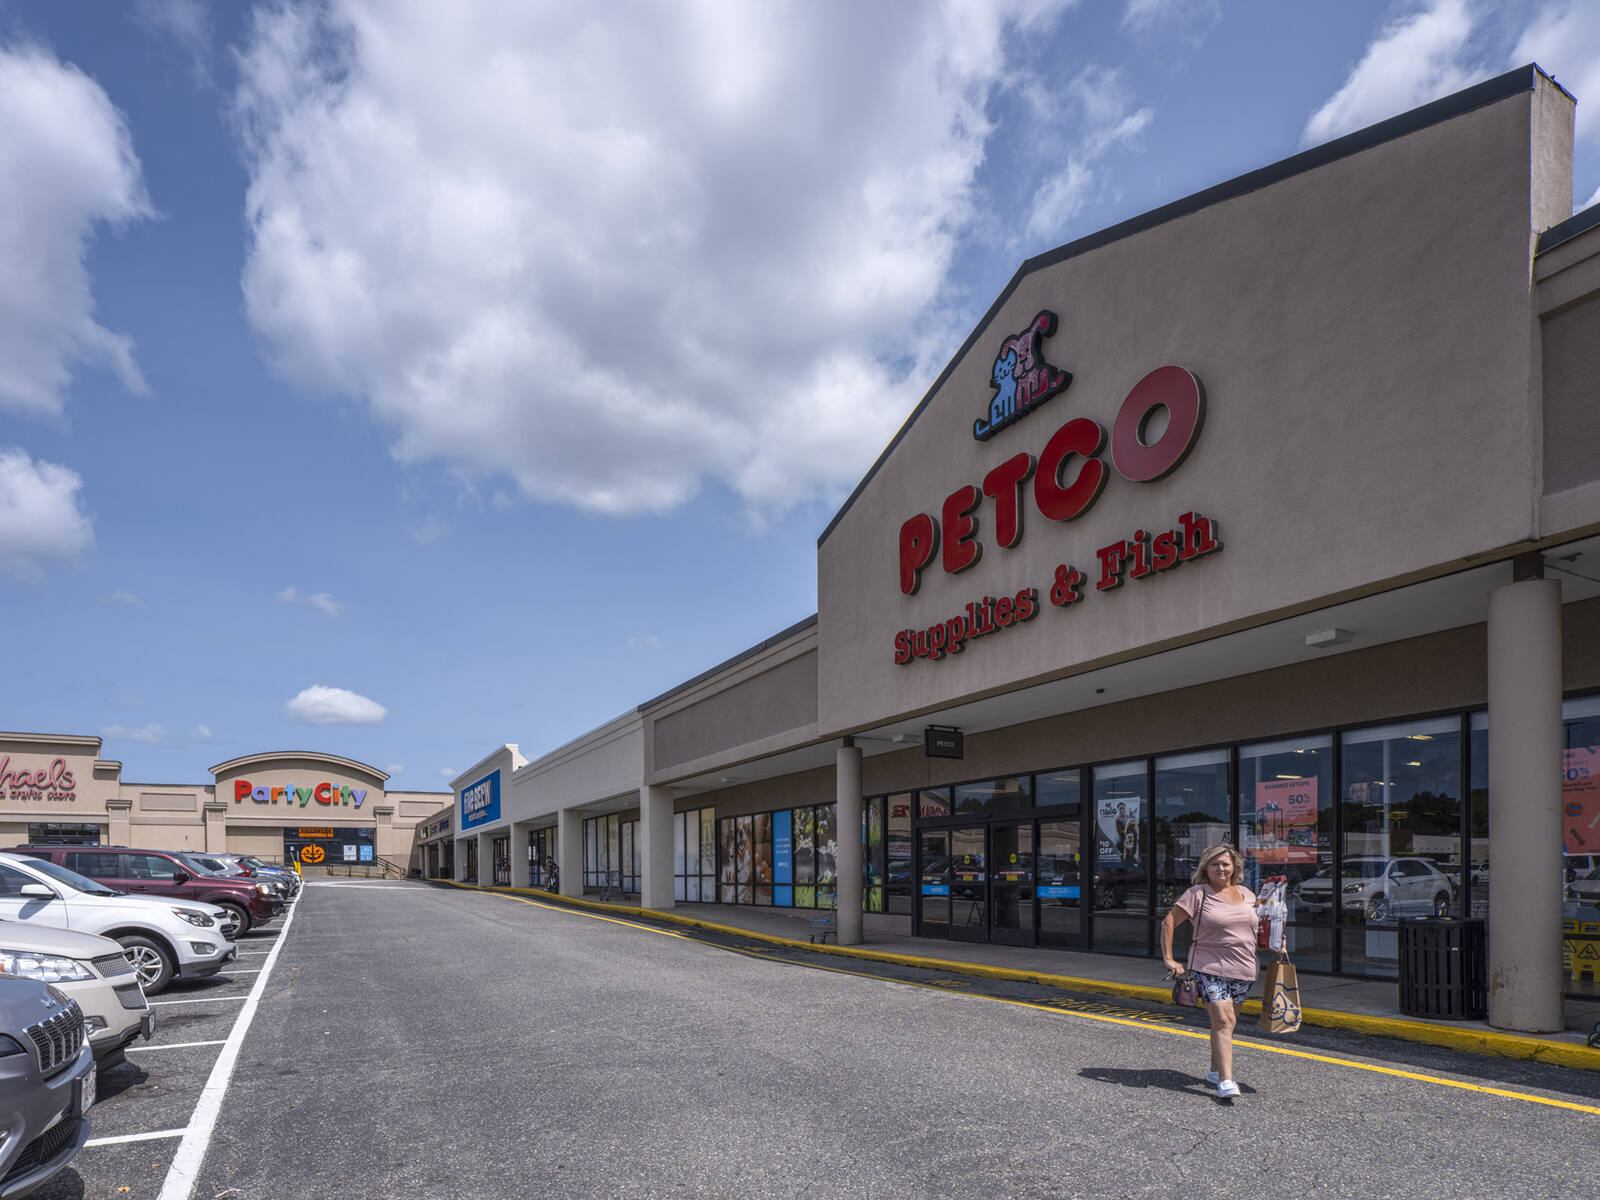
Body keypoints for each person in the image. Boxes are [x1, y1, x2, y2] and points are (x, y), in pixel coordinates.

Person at [1160, 843, 1258, 1099]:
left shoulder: (1247, 894)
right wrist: (1169, 959)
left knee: (1228, 1023)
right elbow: (1169, 921)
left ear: (1235, 867)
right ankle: (1226, 1081)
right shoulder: (1197, 893)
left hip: (1244, 967)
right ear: (1206, 867)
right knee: (1223, 1020)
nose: (1221, 868)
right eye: (1215, 864)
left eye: (1225, 863)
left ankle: (1215, 1070)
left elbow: (1256, 927)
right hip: (1208, 966)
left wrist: (1276, 941)